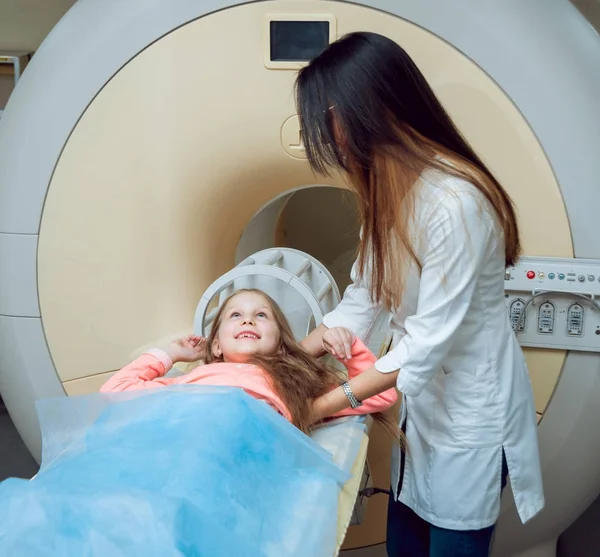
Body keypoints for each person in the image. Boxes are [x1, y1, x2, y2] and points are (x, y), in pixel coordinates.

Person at [296, 31, 544, 556]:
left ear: (367, 109)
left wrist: (317, 406)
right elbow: (363, 300)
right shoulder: (388, 189)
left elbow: (425, 346)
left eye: (329, 123)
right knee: (403, 547)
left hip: (471, 414)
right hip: (425, 412)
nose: (332, 141)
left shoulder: (457, 202)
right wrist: (287, 361)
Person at [101, 288, 397, 433]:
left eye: (261, 315)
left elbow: (382, 394)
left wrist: (350, 349)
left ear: (281, 345)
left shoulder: (292, 384)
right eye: (235, 315)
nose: (248, 321)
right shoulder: (190, 380)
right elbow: (114, 393)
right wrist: (171, 353)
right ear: (216, 345)